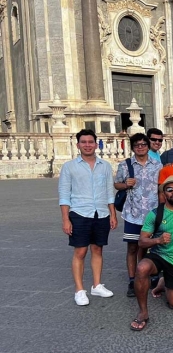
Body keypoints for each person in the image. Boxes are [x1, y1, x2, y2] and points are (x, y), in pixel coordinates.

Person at [129, 176, 173, 331]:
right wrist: (157, 241)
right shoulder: (155, 214)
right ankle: (143, 313)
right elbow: (141, 242)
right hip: (158, 256)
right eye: (169, 190)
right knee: (141, 268)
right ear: (164, 194)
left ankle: (162, 283)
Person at [59, 129, 117, 305]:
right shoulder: (69, 166)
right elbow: (64, 194)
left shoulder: (105, 165)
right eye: (83, 142)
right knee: (80, 251)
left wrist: (113, 214)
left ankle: (97, 285)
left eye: (90, 142)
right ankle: (79, 289)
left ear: (96, 144)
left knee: (98, 249)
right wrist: (65, 219)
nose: (87, 145)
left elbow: (109, 192)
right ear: (78, 145)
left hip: (101, 212)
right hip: (79, 212)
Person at [114, 132, 162, 297]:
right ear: (132, 147)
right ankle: (133, 279)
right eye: (137, 145)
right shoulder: (125, 165)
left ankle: (147, 275)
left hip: (152, 213)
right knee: (132, 247)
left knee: (149, 246)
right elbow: (117, 184)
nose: (140, 147)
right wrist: (125, 184)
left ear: (148, 146)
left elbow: (160, 188)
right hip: (133, 213)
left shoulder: (157, 165)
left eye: (143, 144)